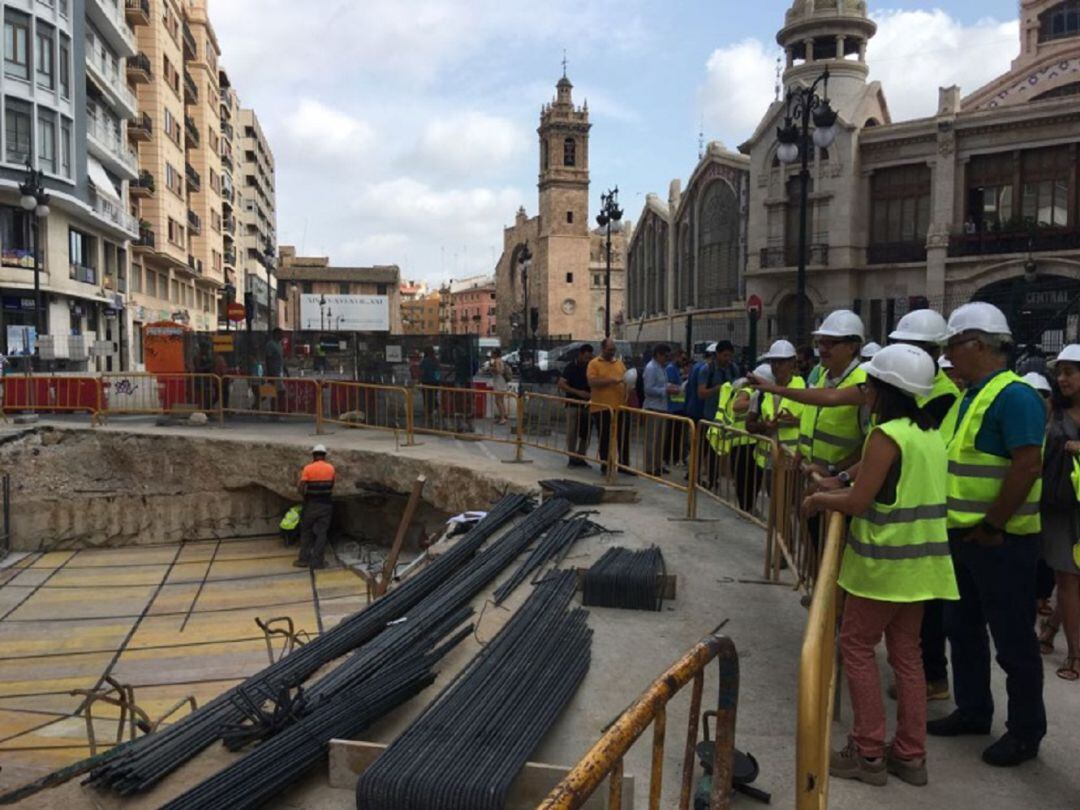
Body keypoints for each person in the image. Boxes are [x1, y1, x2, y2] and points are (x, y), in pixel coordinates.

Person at [803, 345, 959, 788]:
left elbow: (857, 502)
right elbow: (868, 478)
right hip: (923, 567)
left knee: (855, 646)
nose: (864, 390)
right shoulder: (927, 433)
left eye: (869, 384)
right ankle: (911, 755)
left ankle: (867, 751)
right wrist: (843, 478)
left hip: (885, 566)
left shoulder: (886, 434)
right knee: (908, 656)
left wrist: (818, 499)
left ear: (885, 390)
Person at [930, 302, 1046, 767]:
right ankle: (974, 709)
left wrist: (994, 524)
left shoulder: (1014, 396)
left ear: (978, 344)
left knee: (1013, 640)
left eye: (953, 346)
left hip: (1003, 543)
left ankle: (1025, 731)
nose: (949, 356)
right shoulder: (970, 396)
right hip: (967, 537)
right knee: (963, 630)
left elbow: (1027, 465)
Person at [1037, 345, 1080, 682]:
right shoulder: (1052, 411)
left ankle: (1051, 630)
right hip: (1059, 507)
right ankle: (1076, 655)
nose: (1062, 379)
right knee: (1067, 578)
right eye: (1060, 372)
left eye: (1070, 372)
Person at [588, 338, 628, 475]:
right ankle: (606, 464)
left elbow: (626, 378)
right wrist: (610, 381)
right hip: (602, 407)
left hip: (620, 407)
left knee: (622, 437)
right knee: (605, 437)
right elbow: (592, 382)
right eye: (609, 350)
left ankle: (624, 465)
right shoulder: (594, 364)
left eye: (613, 350)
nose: (612, 352)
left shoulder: (620, 364)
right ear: (602, 349)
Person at [295, 444, 335, 569]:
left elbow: (301, 487)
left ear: (313, 455)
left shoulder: (308, 468)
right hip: (326, 505)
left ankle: (303, 560)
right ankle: (318, 562)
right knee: (321, 533)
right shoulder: (331, 468)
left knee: (306, 531)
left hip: (311, 504)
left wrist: (304, 497)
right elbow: (332, 484)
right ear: (324, 456)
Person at [642, 344, 679, 476]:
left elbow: (662, 384)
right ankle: (649, 466)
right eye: (665, 356)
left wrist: (671, 387)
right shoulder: (651, 368)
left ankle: (658, 464)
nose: (666, 359)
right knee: (652, 439)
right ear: (658, 354)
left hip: (662, 407)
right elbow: (648, 388)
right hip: (653, 406)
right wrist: (665, 390)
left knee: (660, 439)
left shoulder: (661, 368)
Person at [557, 344, 593, 467]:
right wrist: (578, 392)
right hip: (573, 403)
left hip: (587, 405)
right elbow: (561, 384)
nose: (587, 360)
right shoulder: (571, 367)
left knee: (586, 433)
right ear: (580, 354)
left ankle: (581, 456)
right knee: (572, 432)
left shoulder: (591, 367)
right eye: (586, 357)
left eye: (590, 357)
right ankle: (572, 457)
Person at [664, 348, 689, 467]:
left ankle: (675, 458)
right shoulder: (670, 369)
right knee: (672, 435)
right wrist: (681, 388)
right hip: (673, 407)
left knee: (678, 435)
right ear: (676, 357)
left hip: (679, 406)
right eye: (682, 358)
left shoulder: (676, 369)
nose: (683, 361)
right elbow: (669, 385)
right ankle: (669, 458)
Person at [419, 346, 441, 425]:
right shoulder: (436, 360)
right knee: (434, 397)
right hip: (434, 382)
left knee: (427, 399)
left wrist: (420, 380)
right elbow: (438, 372)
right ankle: (436, 412)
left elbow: (421, 372)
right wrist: (437, 380)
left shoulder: (424, 361)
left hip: (426, 382)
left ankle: (429, 415)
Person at [489, 348, 510, 425]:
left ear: (495, 354)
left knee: (498, 401)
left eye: (492, 353)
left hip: (498, 382)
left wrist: (491, 368)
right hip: (502, 381)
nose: (491, 355)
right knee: (501, 400)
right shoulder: (501, 360)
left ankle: (502, 418)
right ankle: (503, 416)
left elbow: (498, 370)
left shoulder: (496, 361)